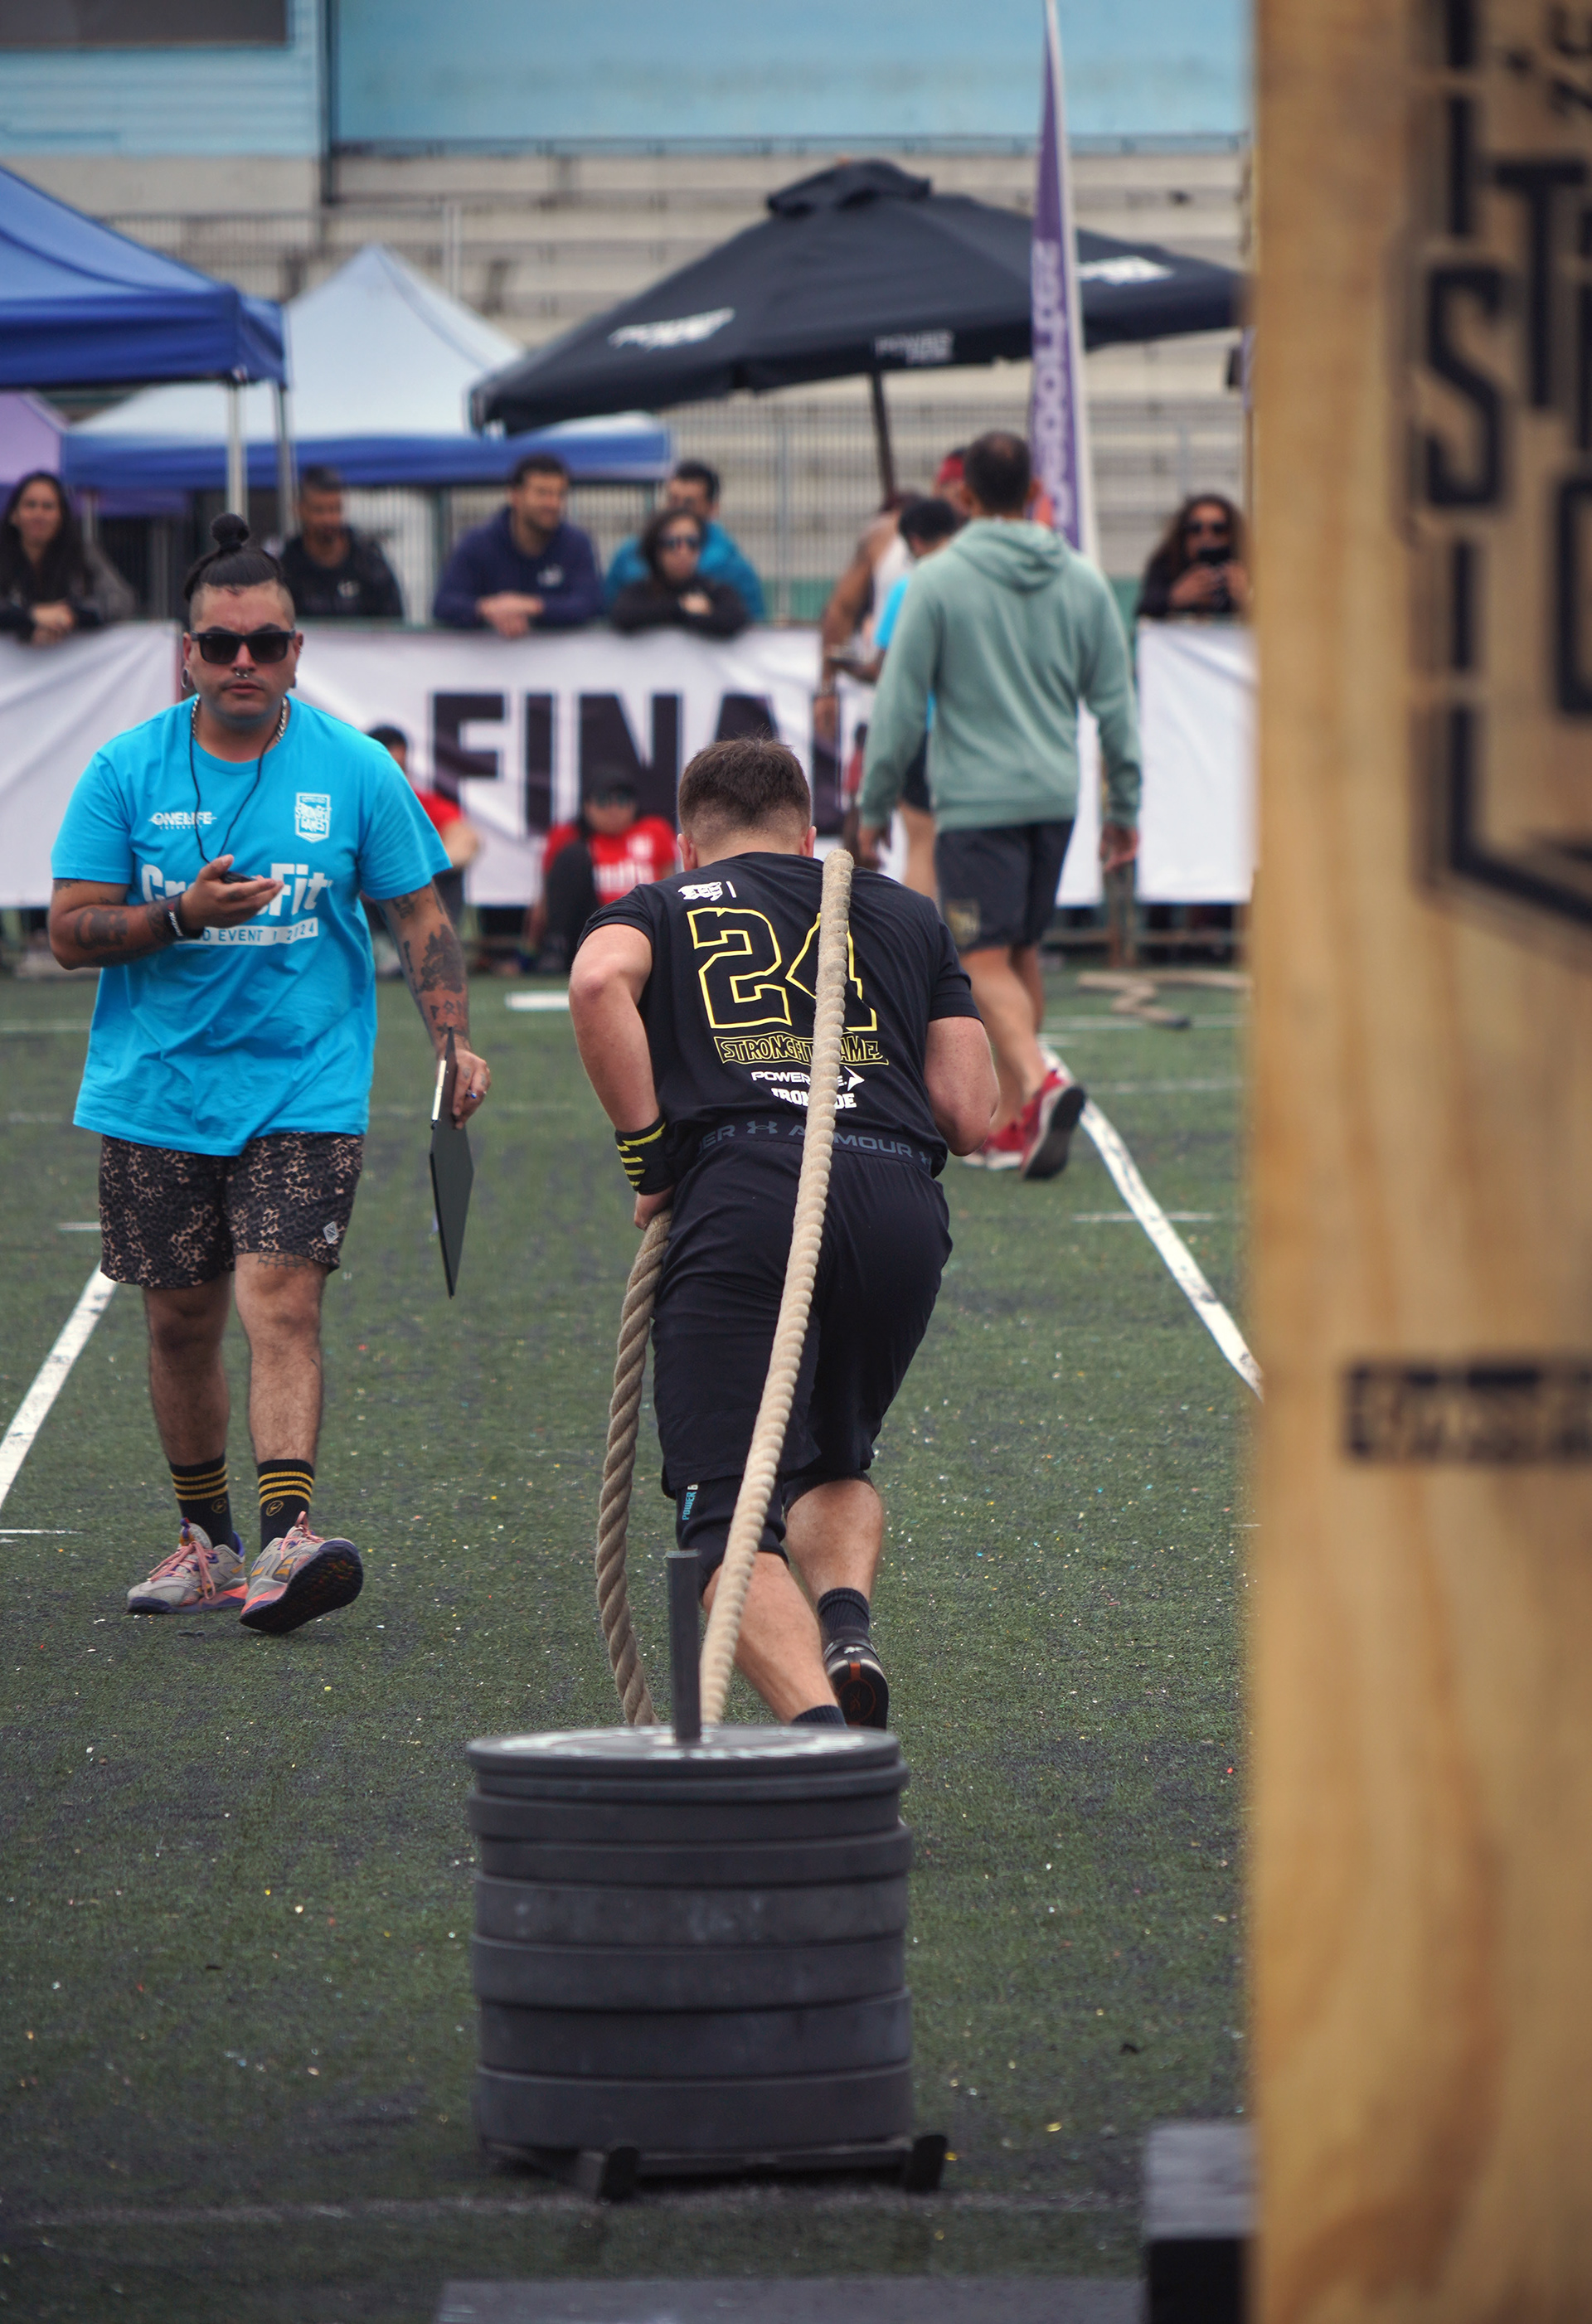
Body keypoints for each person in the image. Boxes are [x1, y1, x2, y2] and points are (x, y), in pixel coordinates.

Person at [47, 512, 491, 1635]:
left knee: (281, 1297)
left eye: (267, 644)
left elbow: (419, 912)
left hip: (307, 1084)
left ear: (297, 651)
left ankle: (289, 1535)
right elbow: (68, 928)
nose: (243, 660)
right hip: (157, 1089)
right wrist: (177, 915)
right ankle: (209, 1544)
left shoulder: (355, 766)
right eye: (221, 643)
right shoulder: (124, 768)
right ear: (186, 655)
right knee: (180, 1321)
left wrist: (451, 1039)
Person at [568, 737, 996, 1728]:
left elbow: (595, 986)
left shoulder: (663, 904)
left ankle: (826, 1747)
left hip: (747, 1190)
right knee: (834, 1463)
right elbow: (970, 1116)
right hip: (897, 1200)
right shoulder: (904, 912)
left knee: (724, 1518)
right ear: (808, 837)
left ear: (688, 845)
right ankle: (844, 1626)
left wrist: (649, 1159)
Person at [857, 431, 1141, 1178]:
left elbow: (898, 705)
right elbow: (1117, 704)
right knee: (1017, 953)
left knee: (979, 957)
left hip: (977, 803)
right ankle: (1017, 1119)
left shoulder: (937, 580)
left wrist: (873, 805)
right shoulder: (1082, 578)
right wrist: (1125, 805)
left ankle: (1042, 1082)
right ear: (1035, 491)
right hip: (1054, 796)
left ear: (964, 497)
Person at [845, 496, 961, 900]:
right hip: (971, 732)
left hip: (922, 731)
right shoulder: (977, 584)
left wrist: (843, 666)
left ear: (915, 542)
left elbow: (884, 667)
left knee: (922, 844)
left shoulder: (909, 588)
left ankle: (923, 938)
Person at [432, 452, 603, 634]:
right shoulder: (477, 543)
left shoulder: (576, 544)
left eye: (559, 494)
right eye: (542, 493)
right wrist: (489, 608)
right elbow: (444, 604)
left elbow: (591, 603)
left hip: (563, 652)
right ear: (515, 495)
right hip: (492, 651)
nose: (553, 504)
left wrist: (532, 606)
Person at [526, 779, 677, 975]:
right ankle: (557, 949)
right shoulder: (568, 836)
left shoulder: (654, 831)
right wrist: (526, 954)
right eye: (603, 801)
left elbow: (670, 889)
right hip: (590, 929)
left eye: (622, 801)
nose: (613, 810)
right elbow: (546, 902)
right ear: (587, 806)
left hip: (644, 928)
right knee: (573, 856)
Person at [604, 459, 765, 620]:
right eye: (673, 500)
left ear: (713, 508)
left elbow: (753, 625)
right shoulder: (629, 554)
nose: (678, 509)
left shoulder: (734, 569)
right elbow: (607, 616)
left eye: (689, 503)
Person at [814, 493, 912, 745]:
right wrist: (827, 686)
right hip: (883, 715)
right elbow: (841, 610)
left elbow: (874, 669)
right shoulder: (885, 539)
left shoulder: (905, 587)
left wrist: (834, 675)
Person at [0, 471, 135, 643]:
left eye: (48, 506)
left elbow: (122, 601)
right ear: (14, 514)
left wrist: (71, 616)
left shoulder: (84, 554)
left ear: (61, 516)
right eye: (30, 505)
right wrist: (31, 616)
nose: (38, 514)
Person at [366, 725, 479, 930]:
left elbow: (466, 841)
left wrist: (412, 868)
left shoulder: (419, 805)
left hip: (415, 911)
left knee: (449, 875)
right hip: (368, 912)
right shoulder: (350, 807)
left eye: (400, 768)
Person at [277, 466, 405, 621]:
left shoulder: (368, 562)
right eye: (319, 510)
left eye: (335, 509)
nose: (328, 519)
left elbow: (393, 621)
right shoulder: (287, 567)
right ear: (299, 509)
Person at [609, 507, 750, 640]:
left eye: (692, 542)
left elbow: (734, 619)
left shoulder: (713, 590)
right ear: (655, 548)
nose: (683, 552)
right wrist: (682, 608)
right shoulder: (638, 591)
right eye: (672, 543)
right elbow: (623, 616)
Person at [1138, 494, 1251, 620]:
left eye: (1218, 529)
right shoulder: (1166, 564)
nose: (1206, 537)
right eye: (1195, 529)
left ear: (1233, 533)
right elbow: (1143, 610)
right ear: (1183, 534)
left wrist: (1248, 598)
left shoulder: (1250, 567)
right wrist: (1174, 598)